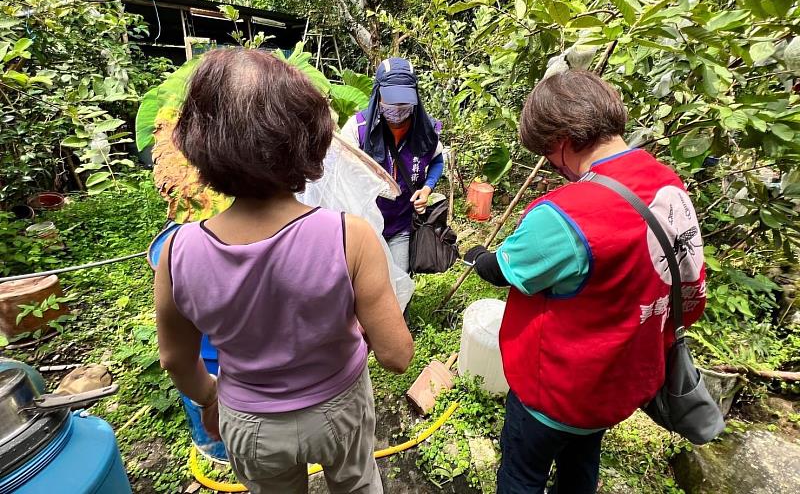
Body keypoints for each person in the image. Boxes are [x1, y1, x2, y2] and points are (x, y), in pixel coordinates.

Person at [154, 48, 414, 494]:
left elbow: (176, 359)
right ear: (309, 140)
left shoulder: (178, 252)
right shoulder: (349, 236)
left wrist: (211, 398)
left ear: (200, 143)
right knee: (356, 486)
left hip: (250, 422)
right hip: (340, 408)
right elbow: (397, 355)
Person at [464, 70, 707, 494]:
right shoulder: (669, 184)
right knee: (581, 465)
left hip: (554, 391)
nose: (551, 164)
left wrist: (479, 258)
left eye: (545, 151)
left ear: (560, 140)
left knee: (523, 474)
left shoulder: (565, 213)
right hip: (618, 385)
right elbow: (689, 286)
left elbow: (504, 270)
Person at [342, 58, 444, 281]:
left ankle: (399, 315)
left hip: (401, 224)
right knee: (364, 283)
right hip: (365, 225)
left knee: (399, 279)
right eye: (391, 101)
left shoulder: (426, 130)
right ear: (378, 94)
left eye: (404, 102)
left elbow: (438, 160)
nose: (397, 109)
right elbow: (341, 172)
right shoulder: (356, 129)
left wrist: (427, 189)